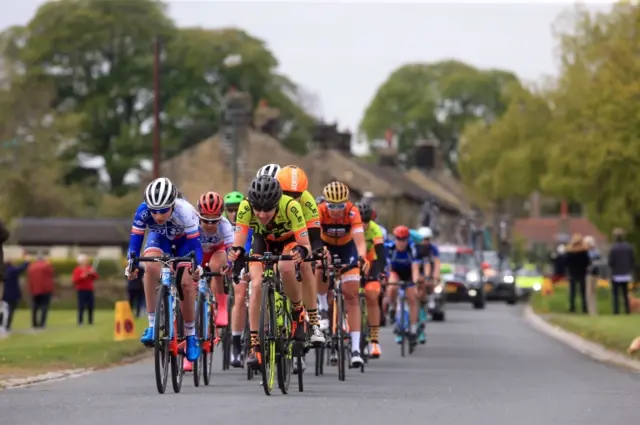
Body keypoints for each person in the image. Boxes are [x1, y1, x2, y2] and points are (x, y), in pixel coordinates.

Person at [228, 174, 311, 368]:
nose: (263, 215)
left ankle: (298, 311)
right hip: (262, 242)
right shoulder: (245, 207)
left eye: (268, 210)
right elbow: (239, 244)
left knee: (286, 267)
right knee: (256, 285)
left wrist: (301, 251)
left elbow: (305, 243)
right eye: (258, 209)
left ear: (277, 203)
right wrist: (236, 256)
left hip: (288, 241)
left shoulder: (291, 206)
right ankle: (255, 346)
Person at [125, 177, 204, 363]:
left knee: (186, 283)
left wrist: (196, 266)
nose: (158, 216)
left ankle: (191, 335)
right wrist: (132, 264)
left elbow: (196, 247)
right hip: (160, 238)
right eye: (154, 211)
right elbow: (135, 243)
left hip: (185, 242)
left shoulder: (185, 211)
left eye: (163, 211)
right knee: (150, 266)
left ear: (172, 205)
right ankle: (152, 324)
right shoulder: (143, 211)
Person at [275, 165, 326, 373]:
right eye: (287, 194)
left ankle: (313, 320)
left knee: (306, 265)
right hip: (275, 239)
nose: (292, 198)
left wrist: (313, 251)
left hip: (297, 241)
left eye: (296, 195)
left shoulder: (307, 201)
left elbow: (314, 237)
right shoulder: (271, 200)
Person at [317, 181, 370, 367]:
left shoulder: (352, 212)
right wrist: (321, 252)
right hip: (325, 246)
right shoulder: (320, 210)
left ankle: (355, 349)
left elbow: (360, 242)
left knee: (352, 294)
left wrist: (362, 258)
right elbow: (313, 237)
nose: (337, 210)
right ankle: (323, 308)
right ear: (326, 203)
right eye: (332, 205)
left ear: (346, 203)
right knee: (317, 265)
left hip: (348, 249)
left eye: (340, 205)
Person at [184, 191, 233, 372]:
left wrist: (229, 264)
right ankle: (188, 349)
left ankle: (220, 306)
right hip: (195, 255)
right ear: (198, 216)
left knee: (217, 265)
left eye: (215, 220)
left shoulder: (225, 226)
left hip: (215, 253)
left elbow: (231, 250)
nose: (211, 225)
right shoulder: (191, 224)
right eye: (206, 220)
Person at [224, 191, 254, 368]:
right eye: (230, 209)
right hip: (235, 262)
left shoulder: (249, 221)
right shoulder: (225, 225)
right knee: (240, 296)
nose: (234, 213)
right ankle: (236, 345)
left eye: (237, 209)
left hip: (251, 259)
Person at [355, 201, 386, 358]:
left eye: (366, 222)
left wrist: (382, 271)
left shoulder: (374, 229)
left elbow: (381, 253)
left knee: (373, 296)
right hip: (354, 262)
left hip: (371, 263)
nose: (364, 225)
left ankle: (374, 341)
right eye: (361, 222)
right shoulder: (350, 226)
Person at [384, 225, 421, 348]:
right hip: (395, 272)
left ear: (407, 239)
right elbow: (388, 267)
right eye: (399, 239)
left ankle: (414, 328)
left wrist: (415, 284)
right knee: (392, 285)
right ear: (395, 238)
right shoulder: (390, 247)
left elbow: (415, 268)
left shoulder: (412, 248)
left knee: (412, 298)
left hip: (409, 273)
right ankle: (393, 307)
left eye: (404, 239)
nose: (401, 242)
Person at [415, 226, 440, 344]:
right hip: (414, 274)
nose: (425, 241)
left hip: (427, 274)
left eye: (427, 239)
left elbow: (436, 264)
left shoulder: (433, 249)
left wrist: (434, 278)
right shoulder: (414, 248)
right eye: (423, 239)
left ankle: (423, 314)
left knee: (425, 290)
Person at [608, 228, 634, 315]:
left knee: (615, 294)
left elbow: (610, 262)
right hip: (626, 273)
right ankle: (627, 310)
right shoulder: (628, 247)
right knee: (625, 293)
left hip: (616, 274)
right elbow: (632, 260)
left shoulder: (613, 248)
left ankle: (616, 311)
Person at [27, 253, 55, 328]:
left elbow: (29, 278)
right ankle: (42, 323)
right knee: (44, 306)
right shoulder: (46, 266)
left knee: (34, 307)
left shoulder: (31, 267)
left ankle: (34, 323)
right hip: (45, 289)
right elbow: (52, 273)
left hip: (34, 289)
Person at [1, 256, 30, 331]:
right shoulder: (13, 270)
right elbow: (22, 268)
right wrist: (27, 260)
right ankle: (7, 325)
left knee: (3, 309)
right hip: (13, 294)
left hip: (3, 293)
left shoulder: (3, 270)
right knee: (11, 310)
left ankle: (2, 324)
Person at [565, 234, 590, 314]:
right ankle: (584, 308)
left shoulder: (570, 252)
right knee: (583, 292)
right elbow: (587, 262)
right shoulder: (584, 252)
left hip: (572, 273)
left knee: (573, 292)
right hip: (582, 272)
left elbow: (567, 263)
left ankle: (572, 307)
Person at [71, 254, 99, 325]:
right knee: (81, 306)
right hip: (81, 290)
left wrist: (92, 273)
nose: (87, 261)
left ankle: (90, 321)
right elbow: (75, 280)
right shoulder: (77, 270)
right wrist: (83, 276)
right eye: (85, 260)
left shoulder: (89, 268)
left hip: (89, 289)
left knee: (91, 305)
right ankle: (80, 321)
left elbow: (96, 277)